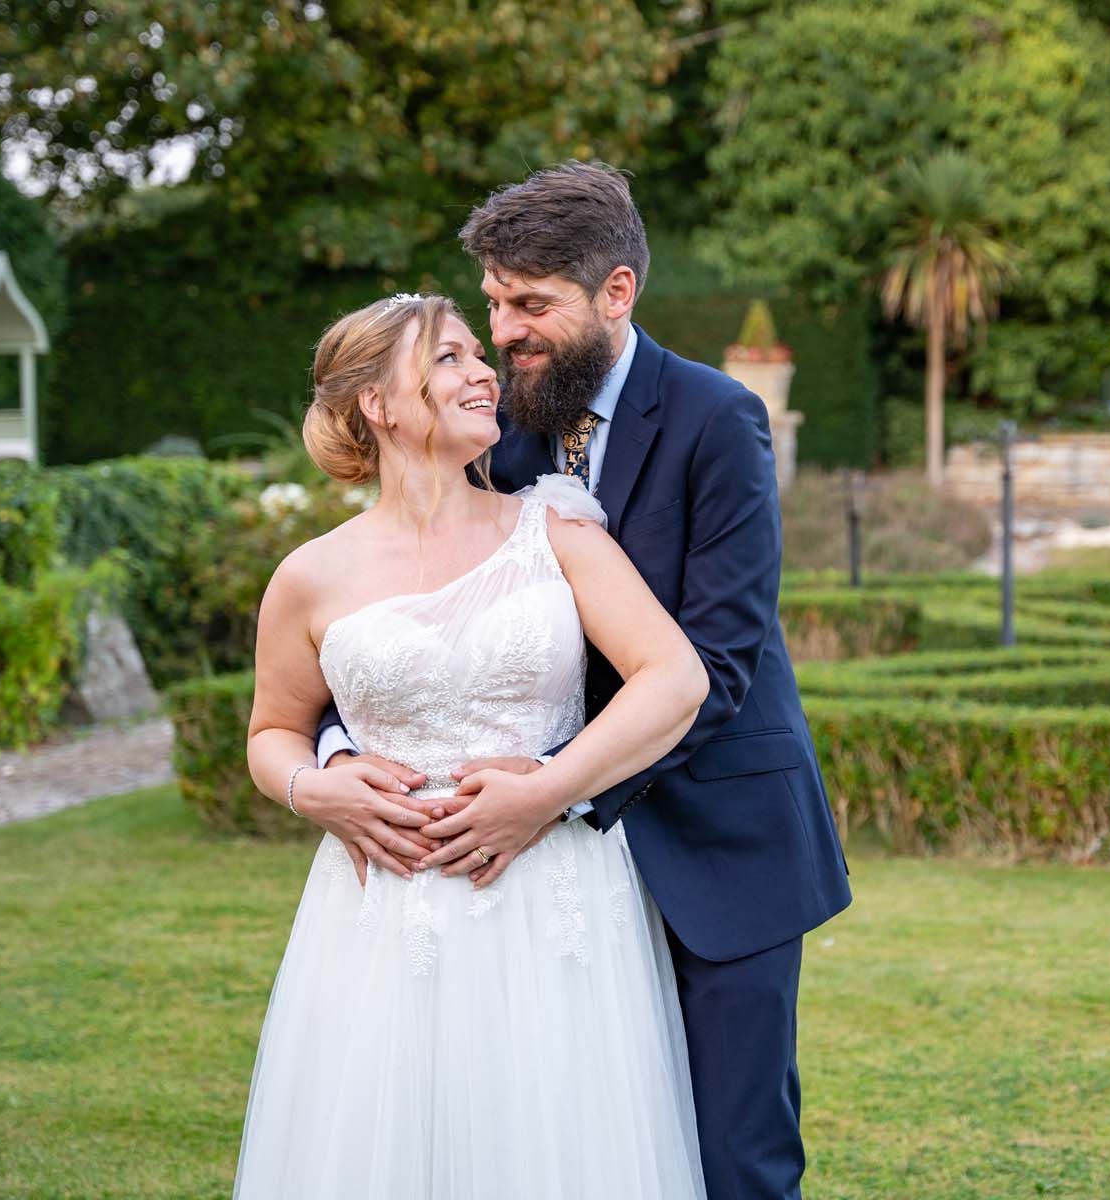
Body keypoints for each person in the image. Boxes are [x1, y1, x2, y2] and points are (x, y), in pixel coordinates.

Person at [312, 162, 852, 1199]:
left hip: (716, 841)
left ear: (616, 293)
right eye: (493, 304)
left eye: (530, 305)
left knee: (734, 1157)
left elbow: (722, 666)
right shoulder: (495, 427)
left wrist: (552, 791)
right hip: (537, 884)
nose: (503, 333)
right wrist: (339, 754)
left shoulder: (715, 419)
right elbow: (413, 614)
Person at [237, 291, 711, 1198]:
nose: (483, 370)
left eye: (475, 355)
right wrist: (313, 790)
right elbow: (272, 733)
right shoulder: (309, 576)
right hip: (383, 916)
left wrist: (547, 789)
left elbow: (675, 679)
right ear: (377, 402)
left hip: (555, 902)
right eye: (449, 358)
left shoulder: (555, 531)